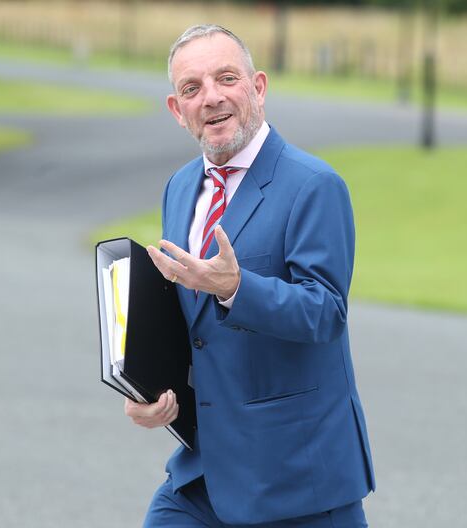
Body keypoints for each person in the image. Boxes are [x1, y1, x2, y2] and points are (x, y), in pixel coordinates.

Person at [124, 24, 375, 527]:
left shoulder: (315, 186)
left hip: (298, 481)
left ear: (258, 88)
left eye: (226, 78)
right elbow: (190, 325)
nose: (211, 97)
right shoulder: (180, 187)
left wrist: (236, 288)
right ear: (178, 110)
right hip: (204, 474)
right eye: (192, 88)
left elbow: (326, 312)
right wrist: (147, 391)